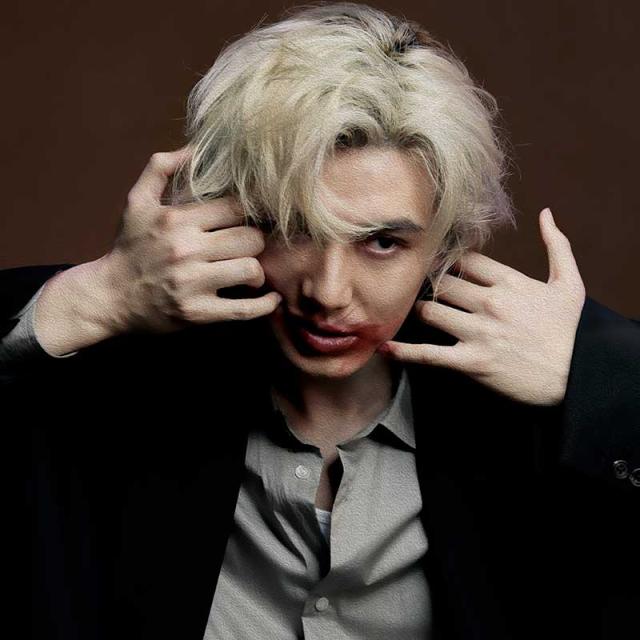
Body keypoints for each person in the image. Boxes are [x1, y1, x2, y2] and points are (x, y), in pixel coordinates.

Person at [1, 3, 638, 639]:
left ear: (445, 245)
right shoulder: (126, 386)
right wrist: (96, 297)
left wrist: (597, 380)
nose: (328, 293)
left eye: (382, 242)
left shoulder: (522, 416)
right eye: (293, 228)